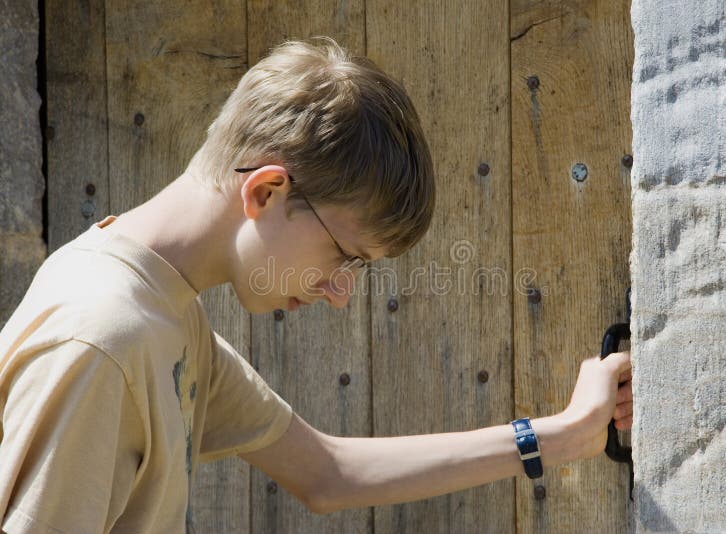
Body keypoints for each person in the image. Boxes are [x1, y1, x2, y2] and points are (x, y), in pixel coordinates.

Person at [0, 37, 633, 533]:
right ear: (267, 192)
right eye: (344, 256)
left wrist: (566, 434)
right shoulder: (104, 339)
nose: (339, 292)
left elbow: (328, 474)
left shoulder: (165, 310)